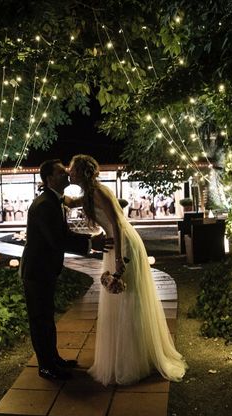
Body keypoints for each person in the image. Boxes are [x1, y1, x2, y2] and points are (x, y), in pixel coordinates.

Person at [67, 154, 187, 385]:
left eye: (71, 169)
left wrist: (120, 259)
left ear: (82, 171)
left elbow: (117, 223)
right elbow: (70, 203)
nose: (68, 172)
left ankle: (135, 359)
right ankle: (123, 355)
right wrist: (50, 190)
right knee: (117, 300)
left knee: (129, 299)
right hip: (113, 245)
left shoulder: (99, 191)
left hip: (123, 244)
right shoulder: (88, 194)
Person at [20, 159, 112, 381]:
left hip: (45, 269)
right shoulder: (45, 205)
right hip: (37, 271)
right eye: (62, 172)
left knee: (46, 317)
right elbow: (58, 240)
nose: (67, 174)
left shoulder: (55, 200)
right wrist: (92, 243)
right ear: (50, 178)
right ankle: (46, 367)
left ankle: (54, 359)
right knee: (40, 319)